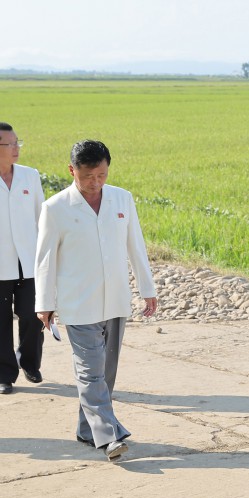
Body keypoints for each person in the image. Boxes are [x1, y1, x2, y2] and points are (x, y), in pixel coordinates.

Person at [34, 140, 157, 461]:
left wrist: (148, 288)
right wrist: (43, 303)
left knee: (106, 371)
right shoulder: (56, 207)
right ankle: (109, 436)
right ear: (72, 171)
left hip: (115, 299)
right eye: (88, 175)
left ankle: (87, 429)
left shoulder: (122, 199)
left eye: (101, 174)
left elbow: (136, 245)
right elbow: (44, 259)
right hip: (78, 304)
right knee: (90, 372)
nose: (95, 182)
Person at [0, 122, 45, 394]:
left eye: (18, 142)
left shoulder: (30, 176)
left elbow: (43, 217)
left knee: (32, 315)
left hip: (30, 261)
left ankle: (29, 362)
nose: (17, 148)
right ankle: (4, 374)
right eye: (11, 144)